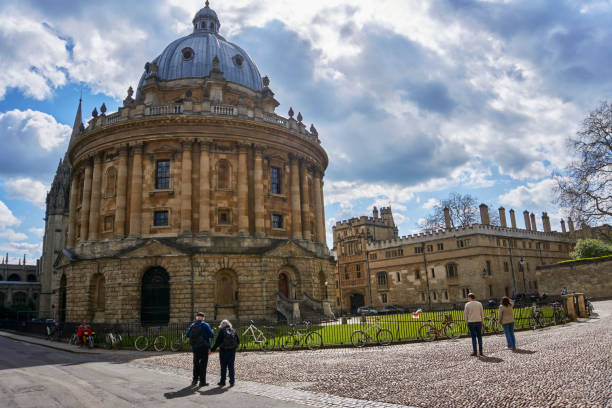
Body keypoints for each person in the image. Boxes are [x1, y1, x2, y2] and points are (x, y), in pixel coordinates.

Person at [186, 312, 215, 387]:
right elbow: (212, 335)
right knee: (203, 364)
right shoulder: (205, 325)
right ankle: (202, 382)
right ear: (203, 318)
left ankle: (194, 380)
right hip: (204, 347)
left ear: (196, 317)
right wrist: (212, 331)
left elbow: (187, 335)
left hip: (195, 347)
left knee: (196, 364)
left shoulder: (192, 325)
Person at [211, 319, 240, 387]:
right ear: (228, 324)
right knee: (231, 367)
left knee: (223, 367)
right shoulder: (233, 330)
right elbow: (238, 341)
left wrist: (212, 349)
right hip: (232, 351)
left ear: (222, 325)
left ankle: (222, 382)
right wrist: (234, 348)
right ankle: (232, 382)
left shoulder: (221, 331)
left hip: (223, 351)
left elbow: (217, 342)